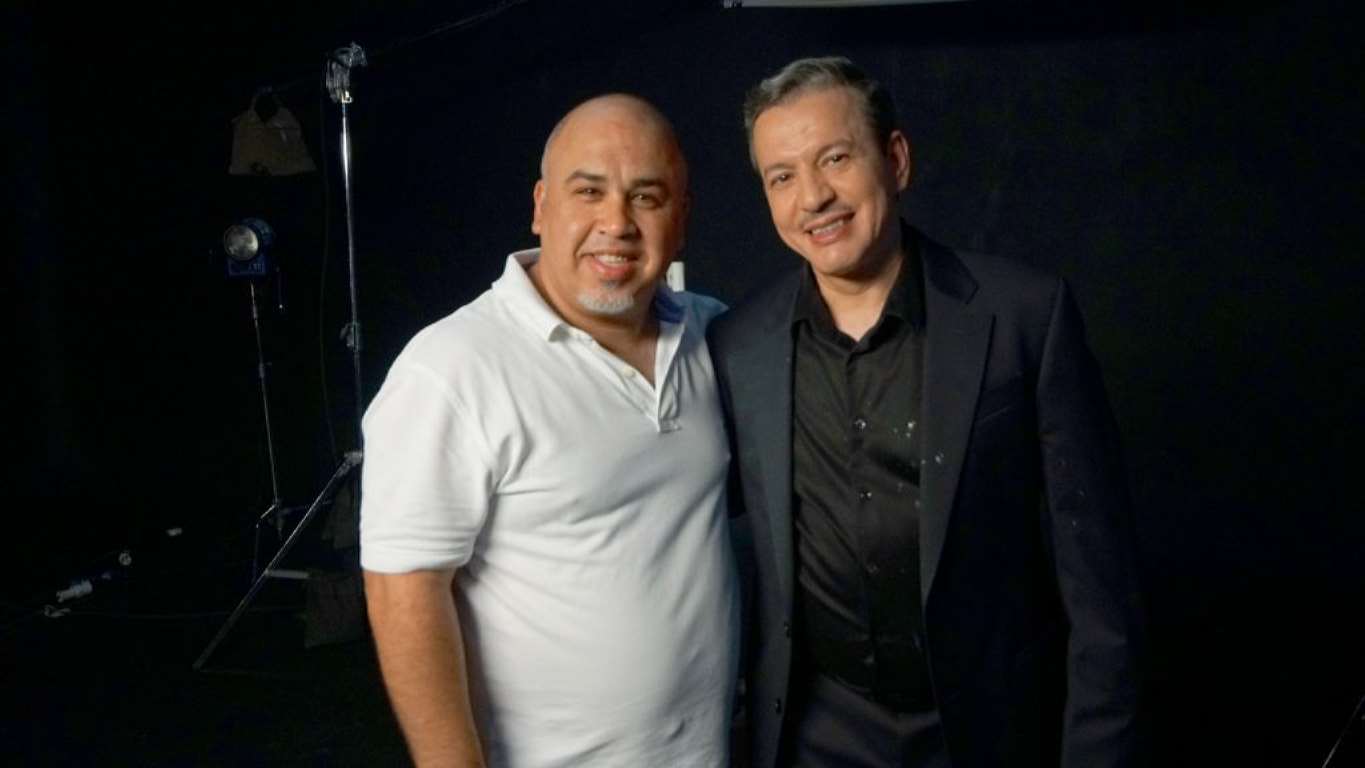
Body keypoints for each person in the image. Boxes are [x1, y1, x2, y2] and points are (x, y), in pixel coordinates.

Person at [709, 56, 1147, 768]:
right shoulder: (736, 345)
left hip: (991, 736)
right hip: (816, 739)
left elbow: (1101, 588)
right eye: (781, 177)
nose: (813, 197)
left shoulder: (1025, 317)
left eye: (835, 159)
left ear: (896, 160)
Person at [360, 94, 738, 768]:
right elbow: (403, 592)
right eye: (588, 192)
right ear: (541, 207)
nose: (615, 223)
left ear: (680, 219)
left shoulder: (714, 335)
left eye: (646, 197)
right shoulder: (450, 368)